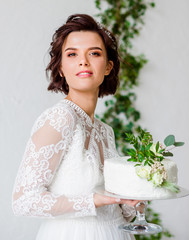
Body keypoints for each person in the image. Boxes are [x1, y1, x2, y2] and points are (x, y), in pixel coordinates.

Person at [12, 14, 141, 240]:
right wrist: (93, 200)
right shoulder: (60, 118)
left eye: (94, 53)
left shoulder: (105, 131)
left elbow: (118, 212)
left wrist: (136, 199)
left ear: (109, 67)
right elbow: (24, 201)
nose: (84, 61)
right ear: (61, 68)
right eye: (72, 54)